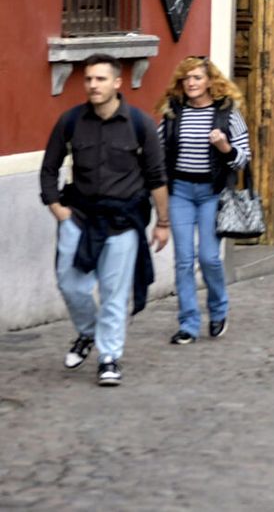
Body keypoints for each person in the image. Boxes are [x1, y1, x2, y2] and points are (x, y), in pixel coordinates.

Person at [40, 54, 170, 387]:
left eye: (100, 79)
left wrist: (163, 223)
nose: (93, 85)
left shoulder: (140, 124)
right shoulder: (70, 121)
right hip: (79, 217)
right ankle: (87, 332)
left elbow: (156, 177)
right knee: (69, 283)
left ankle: (109, 357)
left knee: (114, 292)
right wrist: (57, 208)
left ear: (117, 83)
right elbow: (49, 168)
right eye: (88, 80)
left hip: (123, 220)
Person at [156, 56, 251, 345]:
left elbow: (243, 159)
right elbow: (158, 154)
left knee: (209, 257)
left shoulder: (227, 114)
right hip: (181, 192)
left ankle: (219, 310)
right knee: (183, 260)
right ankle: (188, 323)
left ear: (210, 81)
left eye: (197, 78)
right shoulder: (173, 113)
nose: (192, 83)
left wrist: (224, 147)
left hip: (213, 194)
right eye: (187, 79)